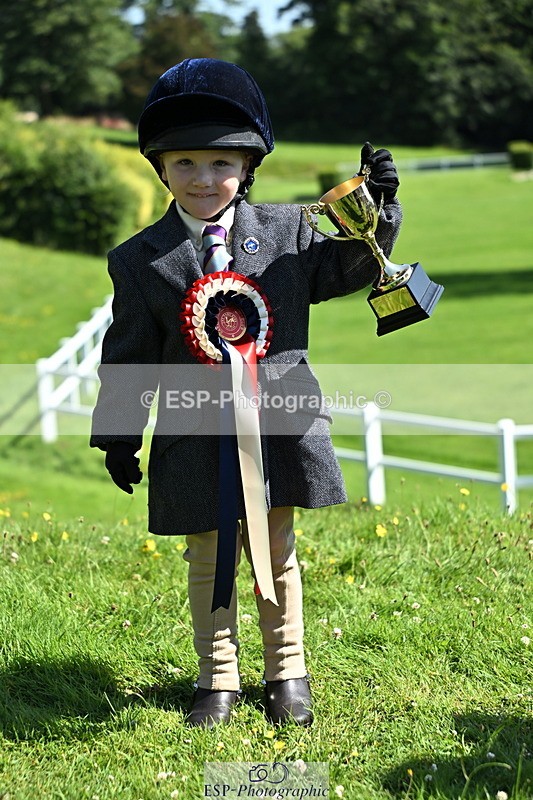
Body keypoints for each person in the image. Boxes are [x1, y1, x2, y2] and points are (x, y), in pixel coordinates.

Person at [90, 57, 402, 729]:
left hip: (278, 421)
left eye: (219, 164)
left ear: (247, 165)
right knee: (209, 555)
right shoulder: (138, 260)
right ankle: (217, 678)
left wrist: (376, 212)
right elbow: (129, 357)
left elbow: (346, 269)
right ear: (161, 168)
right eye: (185, 165)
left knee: (275, 550)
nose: (204, 180)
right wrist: (118, 434)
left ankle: (286, 669)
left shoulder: (289, 229)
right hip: (191, 431)